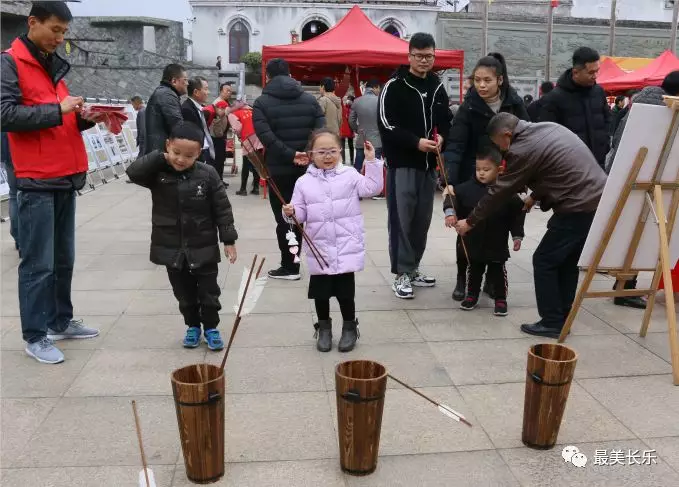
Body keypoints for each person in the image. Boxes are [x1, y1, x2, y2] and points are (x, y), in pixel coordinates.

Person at [0, 1, 101, 364]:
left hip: (64, 175)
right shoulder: (10, 62)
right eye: (55, 30)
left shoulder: (51, 66)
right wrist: (59, 110)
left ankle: (60, 321)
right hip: (35, 180)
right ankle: (35, 335)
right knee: (38, 264)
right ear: (33, 22)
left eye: (64, 32)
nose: (60, 38)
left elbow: (60, 120)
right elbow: (6, 114)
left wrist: (86, 119)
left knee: (63, 259)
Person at [455, 113, 607, 339]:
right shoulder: (547, 128)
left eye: (500, 145)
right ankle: (562, 316)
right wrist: (534, 197)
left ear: (507, 135)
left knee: (544, 260)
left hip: (577, 205)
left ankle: (552, 322)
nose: (503, 151)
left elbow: (499, 191)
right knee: (566, 262)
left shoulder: (522, 148)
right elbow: (553, 171)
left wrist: (469, 221)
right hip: (597, 200)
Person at [126, 122, 238, 350]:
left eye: (189, 155)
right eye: (176, 153)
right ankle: (192, 326)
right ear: (168, 146)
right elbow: (133, 172)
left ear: (199, 153)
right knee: (184, 293)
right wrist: (159, 157)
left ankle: (211, 327)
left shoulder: (207, 174)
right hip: (171, 246)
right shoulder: (158, 173)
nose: (181, 159)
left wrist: (228, 240)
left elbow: (222, 208)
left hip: (203, 244)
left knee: (209, 292)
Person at [282, 129, 383, 352]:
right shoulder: (303, 182)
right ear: (310, 154)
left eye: (332, 151)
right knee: (321, 292)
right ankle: (324, 327)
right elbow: (300, 215)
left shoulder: (349, 174)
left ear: (340, 151)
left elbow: (373, 188)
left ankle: (349, 327)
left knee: (346, 292)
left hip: (346, 244)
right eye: (321, 152)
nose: (328, 156)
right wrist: (290, 212)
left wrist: (371, 161)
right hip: (319, 246)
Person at [443, 53, 530, 301]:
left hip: (503, 175)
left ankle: (492, 280)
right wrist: (449, 180)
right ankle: (463, 277)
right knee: (467, 229)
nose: (481, 85)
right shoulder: (467, 108)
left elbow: (525, 140)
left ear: (499, 80)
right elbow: (456, 145)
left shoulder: (514, 104)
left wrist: (522, 177)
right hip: (472, 177)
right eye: (477, 80)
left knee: (496, 228)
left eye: (487, 80)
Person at [378, 32, 451, 299]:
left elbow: (447, 120)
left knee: (421, 220)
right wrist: (415, 142)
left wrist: (442, 135)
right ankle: (401, 273)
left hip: (428, 166)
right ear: (409, 56)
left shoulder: (437, 86)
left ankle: (414, 267)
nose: (424, 61)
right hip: (402, 164)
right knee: (401, 219)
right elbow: (386, 125)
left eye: (428, 56)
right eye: (419, 56)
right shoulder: (394, 85)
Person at [605, 70, 679, 309]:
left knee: (631, 233)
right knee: (633, 234)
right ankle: (625, 289)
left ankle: (624, 287)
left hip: (633, 177)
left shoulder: (643, 103)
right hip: (637, 177)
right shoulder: (657, 111)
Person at [253, 58, 324, 280]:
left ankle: (291, 265)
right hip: (309, 169)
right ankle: (320, 262)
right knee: (308, 216)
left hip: (279, 169)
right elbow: (321, 130)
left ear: (268, 77)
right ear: (290, 74)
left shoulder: (261, 103)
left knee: (286, 218)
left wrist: (291, 155)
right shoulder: (310, 100)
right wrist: (305, 152)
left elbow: (266, 137)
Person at [443, 141, 525, 316]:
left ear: (499, 170)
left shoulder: (506, 192)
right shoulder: (465, 189)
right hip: (473, 241)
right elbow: (451, 197)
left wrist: (517, 235)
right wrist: (450, 213)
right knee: (474, 271)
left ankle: (501, 299)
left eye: (486, 169)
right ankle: (472, 295)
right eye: (478, 169)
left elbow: (517, 214)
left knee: (498, 272)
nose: (481, 173)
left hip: (497, 242)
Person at [538, 47, 611, 169]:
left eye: (597, 71)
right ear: (576, 72)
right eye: (591, 72)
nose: (595, 76)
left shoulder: (599, 92)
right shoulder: (554, 98)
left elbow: (608, 120)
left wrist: (605, 142)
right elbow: (547, 137)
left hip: (599, 165)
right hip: (570, 169)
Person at [145, 63, 187, 155]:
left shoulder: (165, 92)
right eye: (185, 80)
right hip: (161, 153)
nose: (187, 83)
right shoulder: (167, 95)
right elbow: (177, 126)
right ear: (174, 81)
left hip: (159, 151)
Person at [181, 76, 216, 169]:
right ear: (196, 92)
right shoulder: (187, 109)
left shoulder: (198, 108)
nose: (208, 92)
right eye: (206, 89)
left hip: (205, 151)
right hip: (198, 154)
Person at [228, 104, 262, 196]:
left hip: (248, 136)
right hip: (258, 136)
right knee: (256, 162)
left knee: (246, 163)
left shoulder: (233, 114)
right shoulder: (252, 111)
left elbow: (237, 128)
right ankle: (255, 188)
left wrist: (238, 135)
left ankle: (243, 189)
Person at [350, 79, 382, 174]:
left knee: (358, 167)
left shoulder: (357, 101)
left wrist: (357, 129)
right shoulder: (379, 101)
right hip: (376, 141)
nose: (379, 91)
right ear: (375, 87)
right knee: (374, 170)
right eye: (379, 89)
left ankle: (358, 187)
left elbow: (351, 120)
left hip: (361, 139)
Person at [209, 83, 235, 180]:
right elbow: (220, 113)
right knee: (218, 160)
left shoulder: (225, 102)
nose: (229, 93)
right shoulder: (218, 102)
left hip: (221, 134)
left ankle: (220, 180)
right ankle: (218, 181)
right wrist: (234, 108)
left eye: (230, 91)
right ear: (221, 91)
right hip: (217, 135)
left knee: (221, 159)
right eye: (227, 90)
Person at [1, 132, 19, 253]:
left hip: (8, 152)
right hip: (22, 147)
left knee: (14, 194)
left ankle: (18, 236)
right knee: (24, 193)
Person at [340, 95, 355, 165]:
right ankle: (343, 160)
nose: (348, 100)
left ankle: (351, 160)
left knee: (351, 146)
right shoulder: (344, 108)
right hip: (344, 129)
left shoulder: (353, 109)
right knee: (343, 146)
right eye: (347, 99)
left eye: (350, 99)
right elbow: (340, 102)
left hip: (350, 129)